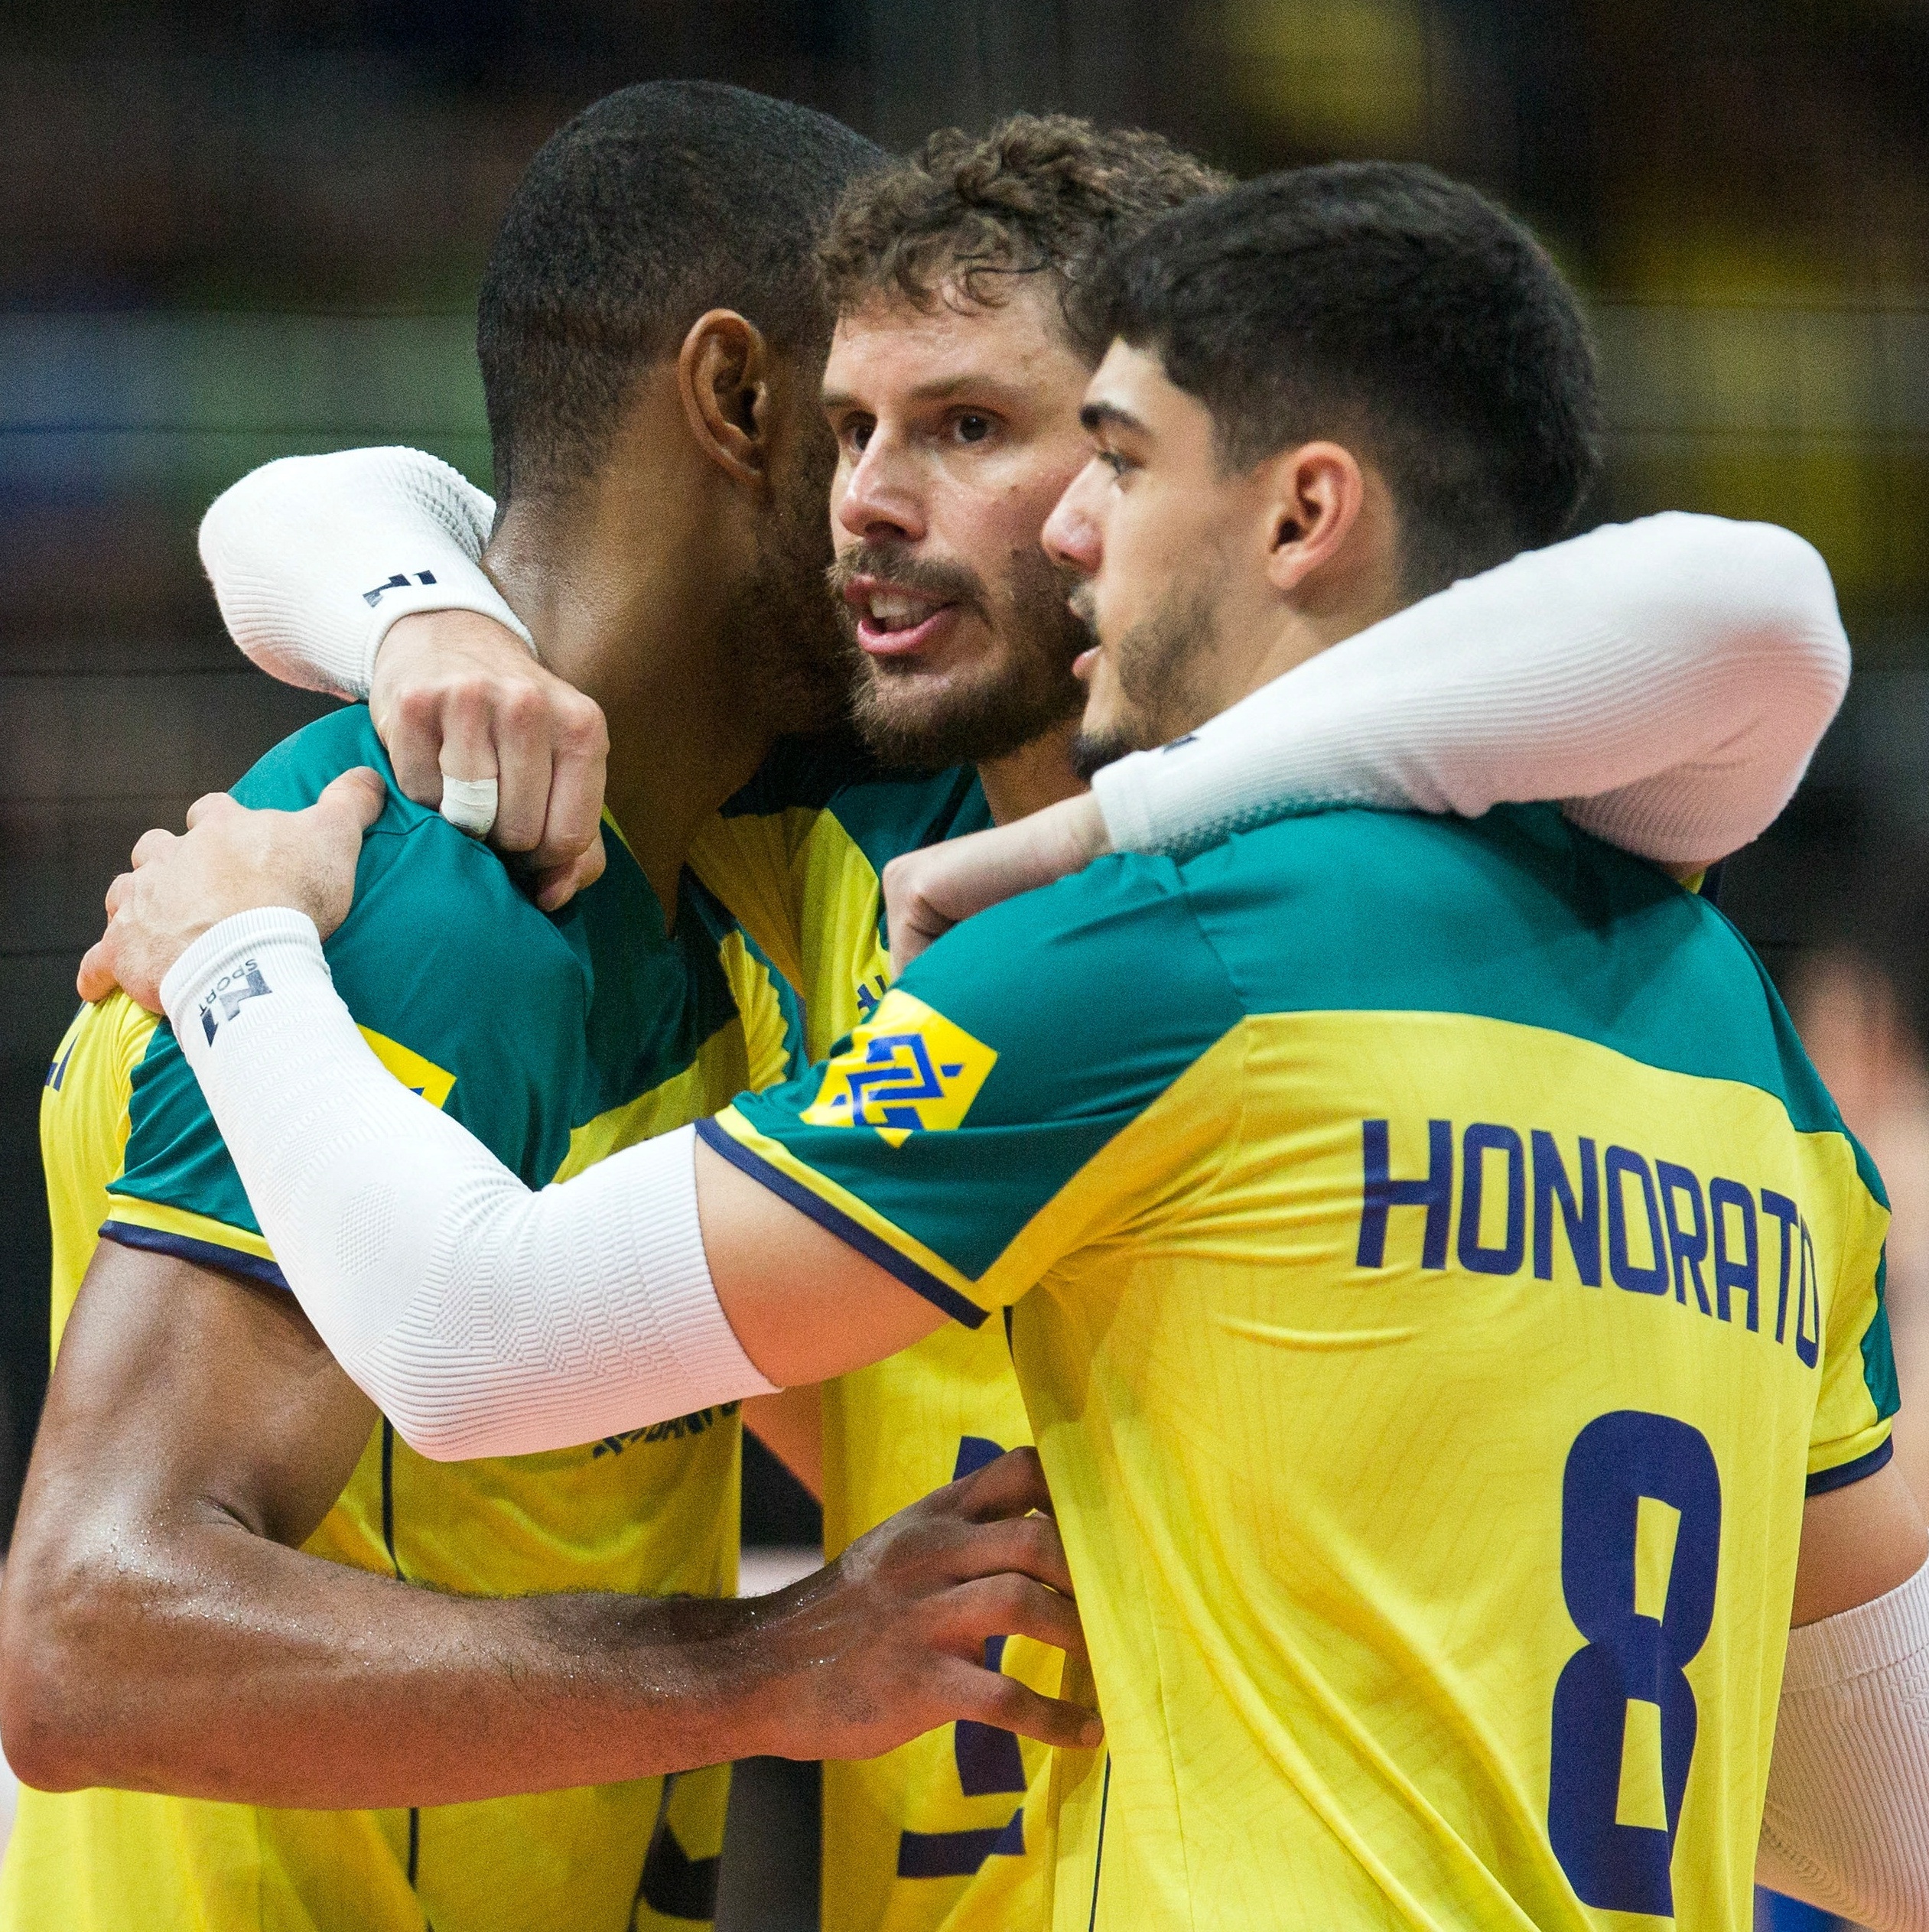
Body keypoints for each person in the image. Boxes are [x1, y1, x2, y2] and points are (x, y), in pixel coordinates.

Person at [73, 163, 1928, 1930]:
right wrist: (428, 624)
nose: (1048, 524)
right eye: (863, 429)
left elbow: (479, 1344)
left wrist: (237, 951)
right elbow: (1885, 1810)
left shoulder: (1147, 951)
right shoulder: (1726, 1029)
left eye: (1062, 447)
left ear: (1297, 509)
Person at [0, 83, 1108, 1932]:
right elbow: (89, 1636)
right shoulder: (409, 910)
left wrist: (417, 605)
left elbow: (326, 513)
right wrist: (767, 1665)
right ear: (741, 405)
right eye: (859, 430)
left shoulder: (739, 859)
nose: (887, 511)